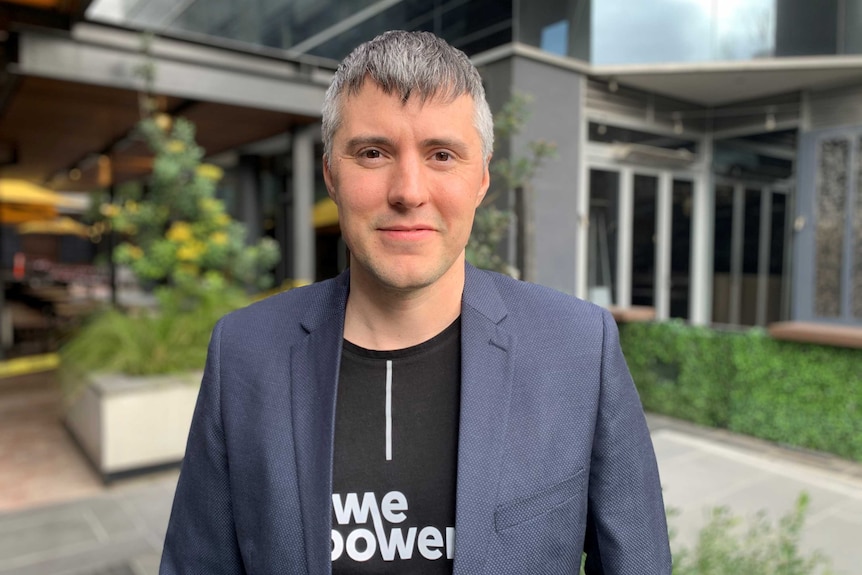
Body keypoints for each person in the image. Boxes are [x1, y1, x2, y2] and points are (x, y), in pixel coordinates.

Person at [160, 30, 671, 575]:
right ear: (331, 175)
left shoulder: (576, 347)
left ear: (481, 179)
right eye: (373, 152)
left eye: (442, 154)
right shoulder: (243, 351)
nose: (408, 190)